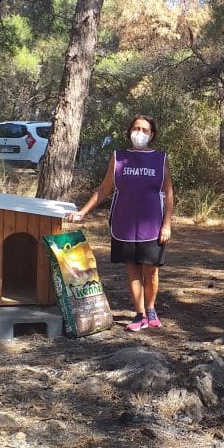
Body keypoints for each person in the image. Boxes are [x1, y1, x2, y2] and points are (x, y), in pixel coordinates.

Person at [69, 115, 174, 332]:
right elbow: (103, 189)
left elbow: (169, 192)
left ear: (152, 134)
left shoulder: (160, 159)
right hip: (124, 224)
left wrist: (167, 224)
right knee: (132, 270)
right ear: (129, 131)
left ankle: (151, 309)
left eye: (145, 130)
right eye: (136, 128)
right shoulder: (119, 158)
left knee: (151, 271)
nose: (139, 133)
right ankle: (140, 314)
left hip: (153, 226)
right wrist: (83, 212)